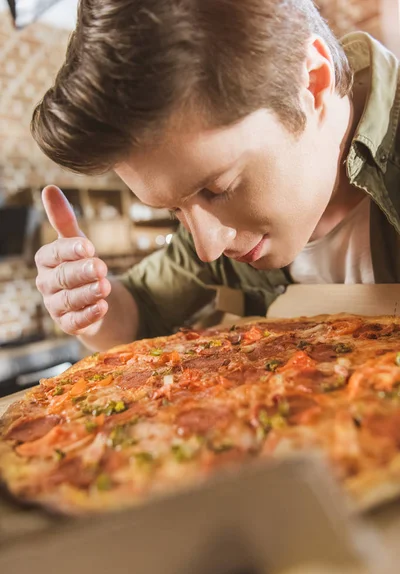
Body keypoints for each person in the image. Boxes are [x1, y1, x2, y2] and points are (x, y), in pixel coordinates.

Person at [32, 0, 400, 352]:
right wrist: (87, 305)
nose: (208, 249)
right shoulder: (210, 230)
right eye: (176, 210)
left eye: (217, 188)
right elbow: (140, 310)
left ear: (312, 82)